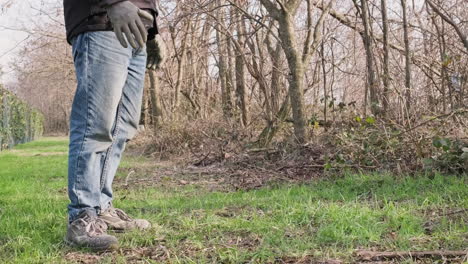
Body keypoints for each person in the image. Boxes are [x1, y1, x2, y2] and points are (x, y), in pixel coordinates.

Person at [63, 0, 165, 251]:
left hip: (137, 29)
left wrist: (152, 32)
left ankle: (101, 208)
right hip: (102, 21)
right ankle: (82, 215)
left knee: (124, 126)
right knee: (95, 125)